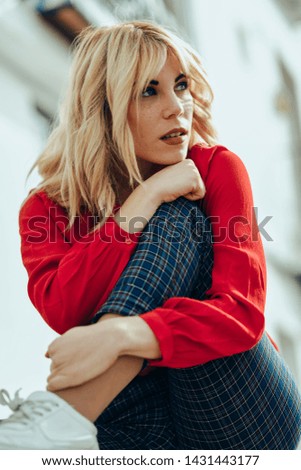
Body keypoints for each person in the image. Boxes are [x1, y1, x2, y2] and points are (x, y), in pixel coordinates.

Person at [0, 21, 301, 450]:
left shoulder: (215, 169)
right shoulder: (48, 209)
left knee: (181, 215)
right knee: (168, 205)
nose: (177, 107)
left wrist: (124, 334)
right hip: (136, 421)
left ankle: (64, 415)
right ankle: (61, 426)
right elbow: (66, 311)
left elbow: (241, 314)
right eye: (149, 91)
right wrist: (142, 201)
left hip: (240, 412)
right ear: (104, 108)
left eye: (181, 85)